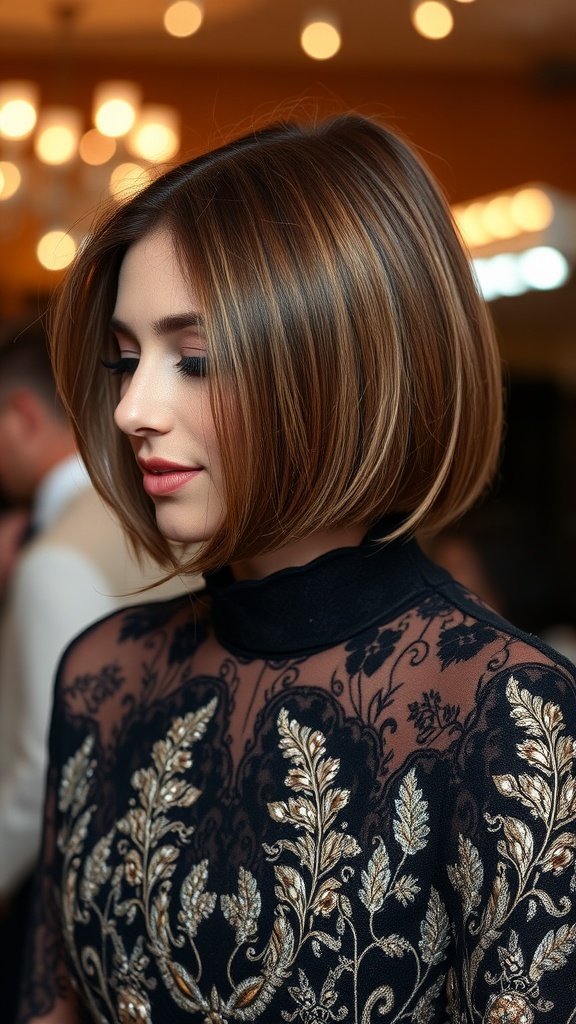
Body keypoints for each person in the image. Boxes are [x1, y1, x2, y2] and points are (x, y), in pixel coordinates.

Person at [19, 114, 576, 1024]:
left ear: (335, 369)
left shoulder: (508, 716)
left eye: (192, 359)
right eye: (126, 359)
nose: (132, 408)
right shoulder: (104, 679)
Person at [0, 318, 196, 1021]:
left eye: (194, 360)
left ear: (23, 416)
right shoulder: (154, 508)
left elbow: (42, 770)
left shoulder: (61, 556)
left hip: (71, 894)